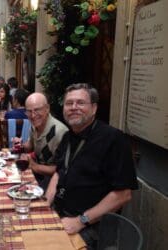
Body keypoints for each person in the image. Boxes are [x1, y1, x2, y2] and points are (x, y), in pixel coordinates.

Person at [44, 83, 138, 249]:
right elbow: (59, 172)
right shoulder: (68, 136)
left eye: (80, 103)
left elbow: (123, 194)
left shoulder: (114, 139)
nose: (74, 107)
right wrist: (45, 203)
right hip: (60, 214)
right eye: (69, 103)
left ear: (94, 108)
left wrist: (81, 221)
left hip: (93, 227)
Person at [12, 92, 68, 190]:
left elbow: (60, 170)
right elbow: (31, 146)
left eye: (37, 110)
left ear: (47, 109)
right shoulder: (34, 125)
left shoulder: (61, 132)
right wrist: (20, 145)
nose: (33, 115)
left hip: (52, 183)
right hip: (37, 176)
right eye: (29, 111)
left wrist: (34, 166)